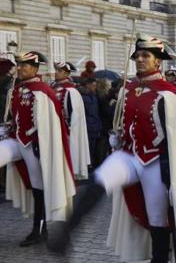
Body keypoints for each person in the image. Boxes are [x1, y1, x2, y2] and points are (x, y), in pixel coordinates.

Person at [48, 35, 176, 262]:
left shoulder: (171, 95)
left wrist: (174, 179)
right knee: (99, 179)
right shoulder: (129, 89)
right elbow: (125, 123)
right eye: (138, 56)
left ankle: (160, 259)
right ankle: (66, 231)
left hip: (157, 162)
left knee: (158, 218)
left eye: (146, 56)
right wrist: (118, 137)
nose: (140, 60)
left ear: (158, 62)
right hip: (130, 155)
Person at [0, 51, 75, 247]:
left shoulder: (42, 91)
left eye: (24, 65)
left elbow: (48, 123)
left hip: (34, 144)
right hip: (17, 140)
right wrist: (9, 127)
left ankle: (40, 229)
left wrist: (41, 145)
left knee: (38, 186)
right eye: (19, 65)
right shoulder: (18, 89)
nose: (20, 68)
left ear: (34, 68)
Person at [51, 62, 90, 179]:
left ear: (67, 73)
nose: (56, 73)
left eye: (60, 71)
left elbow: (74, 116)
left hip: (66, 132)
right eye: (56, 70)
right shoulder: (52, 88)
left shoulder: (71, 91)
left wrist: (68, 131)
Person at [80, 77, 103, 170]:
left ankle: (92, 164)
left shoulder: (94, 96)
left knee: (94, 148)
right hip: (89, 126)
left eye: (95, 85)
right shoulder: (83, 97)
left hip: (95, 126)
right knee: (88, 147)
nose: (95, 87)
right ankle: (88, 165)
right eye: (93, 85)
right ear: (88, 85)